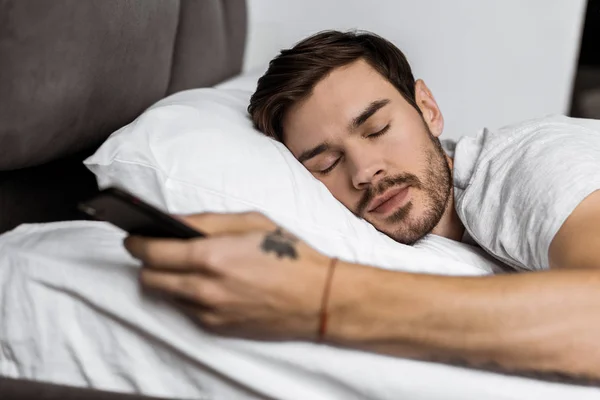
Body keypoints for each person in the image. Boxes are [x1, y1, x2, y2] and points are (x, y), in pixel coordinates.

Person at [124, 30, 600, 383]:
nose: (365, 170)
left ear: (427, 109)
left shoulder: (530, 164)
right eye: (327, 162)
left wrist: (318, 298)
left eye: (376, 130)